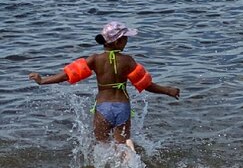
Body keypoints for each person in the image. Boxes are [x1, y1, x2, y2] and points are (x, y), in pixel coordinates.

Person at [29, 21, 179, 145]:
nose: (127, 41)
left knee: (102, 145)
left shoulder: (95, 59)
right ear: (118, 41)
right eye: (126, 38)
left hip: (103, 108)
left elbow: (69, 75)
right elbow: (145, 84)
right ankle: (128, 153)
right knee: (122, 144)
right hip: (123, 107)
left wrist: (43, 81)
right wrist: (168, 90)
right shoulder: (127, 61)